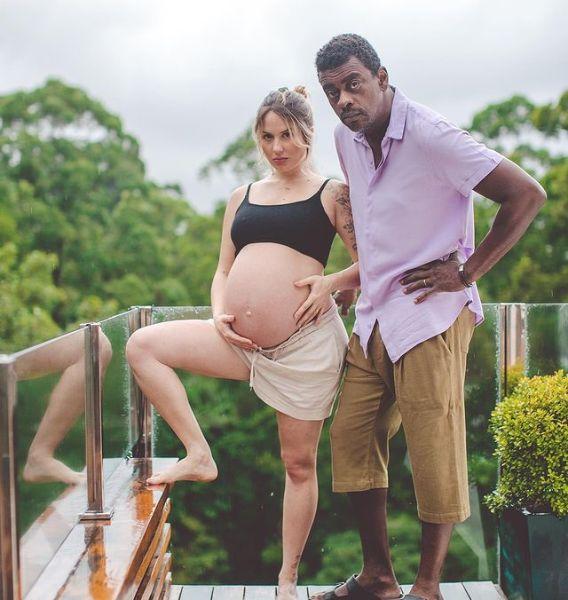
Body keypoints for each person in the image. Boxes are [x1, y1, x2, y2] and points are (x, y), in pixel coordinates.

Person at [313, 34, 546, 600]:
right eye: (331, 92)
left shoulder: (433, 135)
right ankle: (378, 576)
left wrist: (467, 273)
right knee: (350, 435)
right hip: (373, 316)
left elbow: (527, 196)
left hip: (430, 315)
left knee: (434, 448)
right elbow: (370, 216)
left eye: (353, 84)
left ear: (382, 76)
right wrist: (355, 278)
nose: (343, 100)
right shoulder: (347, 140)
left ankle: (428, 586)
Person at [125, 86, 360, 600]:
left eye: (288, 137)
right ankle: (198, 454)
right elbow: (223, 268)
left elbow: (374, 263)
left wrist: (331, 284)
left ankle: (286, 580)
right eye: (267, 136)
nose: (277, 147)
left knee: (297, 465)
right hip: (237, 340)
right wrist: (218, 311)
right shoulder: (242, 196)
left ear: (308, 135)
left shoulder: (332, 193)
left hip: (305, 347)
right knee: (143, 346)